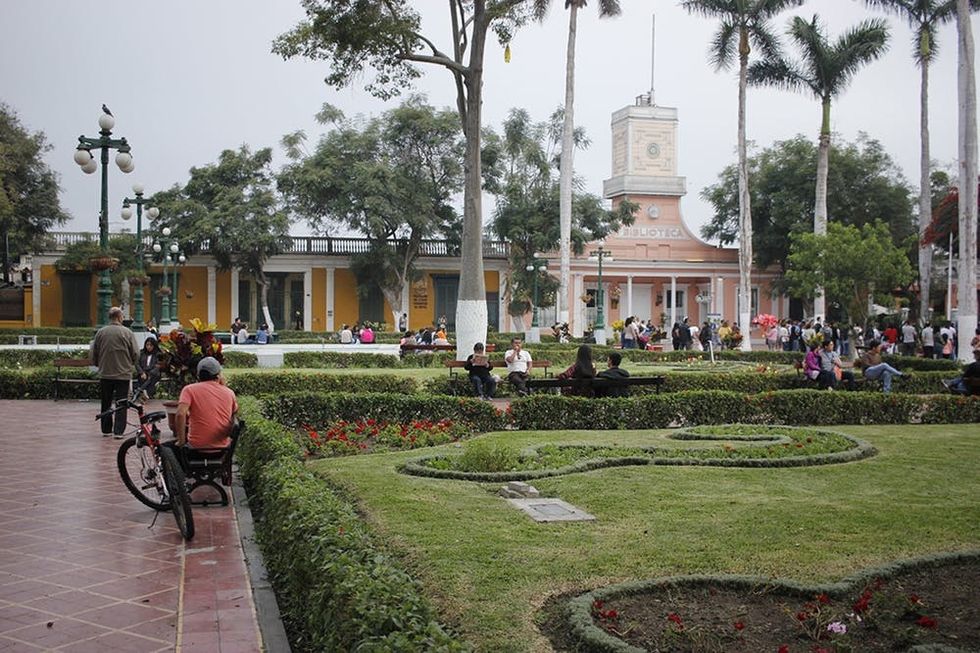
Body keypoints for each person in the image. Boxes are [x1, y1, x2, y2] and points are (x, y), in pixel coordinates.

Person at [91, 306, 139, 438]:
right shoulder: (127, 332)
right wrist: (131, 363)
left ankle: (106, 430)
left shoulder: (101, 332)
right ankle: (118, 431)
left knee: (106, 401)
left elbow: (94, 352)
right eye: (123, 316)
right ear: (119, 317)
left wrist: (98, 364)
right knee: (121, 402)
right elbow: (135, 353)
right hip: (123, 373)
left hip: (106, 372)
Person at [174, 358, 238, 449]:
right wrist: (223, 386)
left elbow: (180, 414)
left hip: (196, 448)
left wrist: (181, 441)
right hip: (222, 450)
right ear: (218, 375)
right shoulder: (229, 392)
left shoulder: (189, 390)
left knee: (167, 447)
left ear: (198, 374)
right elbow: (234, 411)